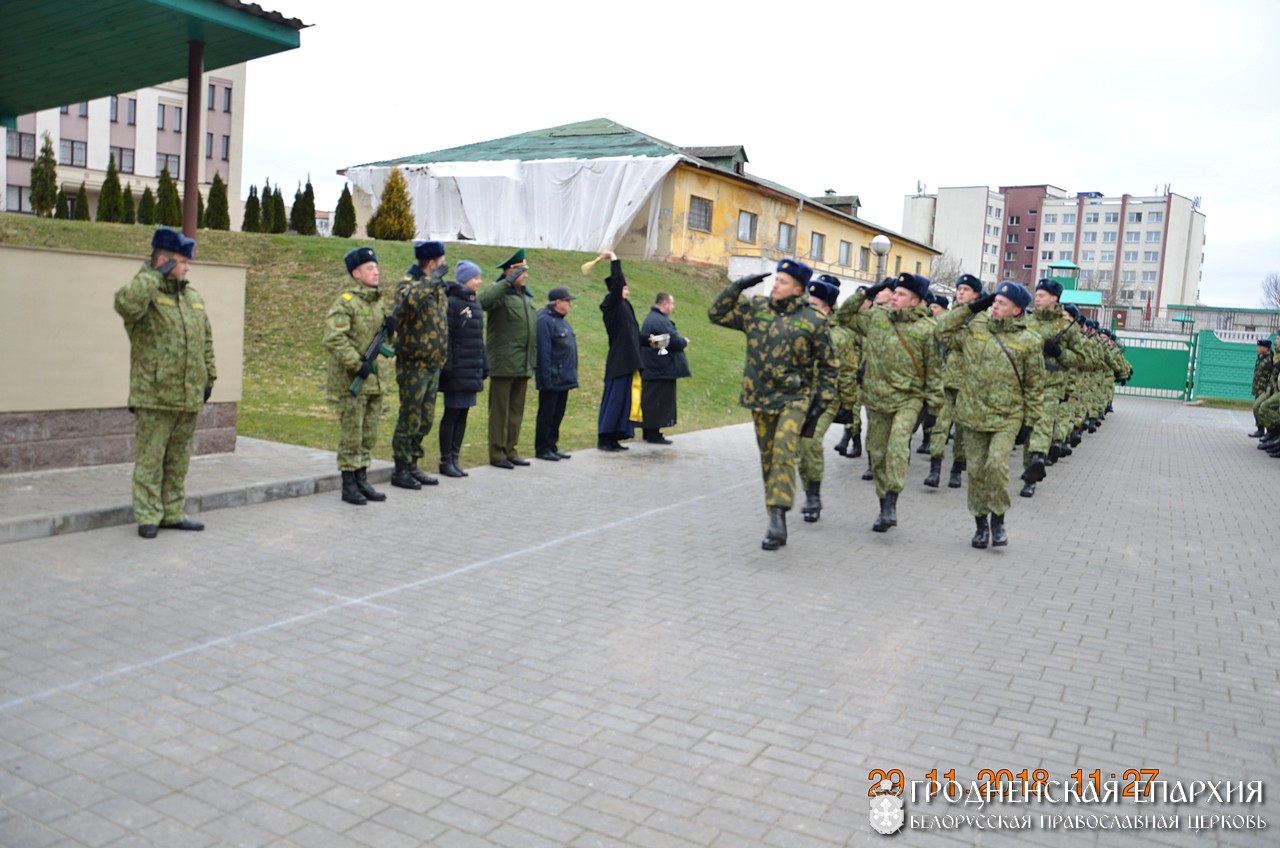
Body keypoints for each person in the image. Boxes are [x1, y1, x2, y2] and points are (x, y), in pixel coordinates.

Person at [709, 259, 837, 551]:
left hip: (795, 398)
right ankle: (774, 516)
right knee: (768, 458)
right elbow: (715, 314)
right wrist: (738, 286)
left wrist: (821, 403)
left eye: (782, 281)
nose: (775, 284)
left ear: (798, 288)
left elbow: (830, 366)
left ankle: (778, 516)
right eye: (775, 279)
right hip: (760, 398)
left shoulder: (814, 320)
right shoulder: (756, 309)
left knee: (783, 450)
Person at [113, 228, 215, 538]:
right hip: (154, 396)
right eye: (182, 262)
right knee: (150, 461)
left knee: (178, 462)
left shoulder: (193, 298)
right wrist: (153, 274)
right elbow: (125, 304)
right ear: (163, 261)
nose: (188, 267)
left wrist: (209, 377)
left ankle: (172, 512)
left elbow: (206, 341)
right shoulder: (145, 295)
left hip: (188, 397)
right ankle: (148, 516)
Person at [935, 281, 1045, 548]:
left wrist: (1029, 423)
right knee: (975, 472)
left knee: (996, 465)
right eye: (994, 301)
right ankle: (980, 524)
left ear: (1017, 310)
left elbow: (1035, 386)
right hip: (973, 414)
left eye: (1002, 303)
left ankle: (998, 518)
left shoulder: (1030, 341)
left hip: (1007, 417)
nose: (995, 306)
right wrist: (971, 308)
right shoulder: (975, 329)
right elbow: (941, 329)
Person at [834, 272, 942, 533]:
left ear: (915, 301)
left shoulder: (928, 330)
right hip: (876, 398)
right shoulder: (876, 318)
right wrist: (869, 292)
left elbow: (935, 370)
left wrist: (934, 408)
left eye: (902, 294)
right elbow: (844, 317)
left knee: (896, 447)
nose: (895, 296)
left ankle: (893, 497)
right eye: (894, 292)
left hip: (909, 398)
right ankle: (884, 505)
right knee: (879, 454)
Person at [324, 247, 391, 505]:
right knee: (352, 434)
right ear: (356, 273)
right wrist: (355, 363)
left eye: (376, 267)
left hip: (375, 381)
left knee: (368, 434)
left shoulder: (378, 303)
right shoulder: (346, 302)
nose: (376, 272)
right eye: (369, 268)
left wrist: (392, 330)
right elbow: (334, 338)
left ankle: (363, 479)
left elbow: (382, 339)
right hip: (353, 381)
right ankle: (349, 484)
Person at [1020, 278, 1091, 496]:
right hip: (1025, 384)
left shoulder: (1066, 327)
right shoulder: (1026, 321)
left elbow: (1082, 360)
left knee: (1042, 425)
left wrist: (1060, 353)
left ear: (1054, 299)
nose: (1037, 299)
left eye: (1041, 296)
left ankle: (1037, 460)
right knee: (1028, 428)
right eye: (1037, 295)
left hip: (1051, 385)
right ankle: (1030, 466)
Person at [389, 240, 450, 490]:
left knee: (425, 419)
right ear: (433, 263)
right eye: (442, 261)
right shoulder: (409, 283)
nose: (446, 265)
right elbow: (409, 303)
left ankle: (413, 462)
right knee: (410, 417)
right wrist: (431, 279)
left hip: (433, 363)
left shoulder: (437, 288)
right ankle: (401, 468)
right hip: (413, 363)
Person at [797, 275, 855, 523]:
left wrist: (849, 405)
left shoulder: (840, 336)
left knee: (810, 443)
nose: (810, 308)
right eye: (808, 303)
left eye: (816, 304)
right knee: (800, 449)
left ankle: (813, 496)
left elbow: (848, 372)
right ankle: (810, 489)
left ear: (828, 308)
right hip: (796, 398)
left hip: (825, 400)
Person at [480, 248, 538, 468]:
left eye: (524, 272)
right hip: (503, 364)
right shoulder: (500, 294)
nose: (525, 276)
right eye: (521, 272)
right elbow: (482, 302)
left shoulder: (525, 297)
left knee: (516, 412)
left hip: (522, 364)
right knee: (500, 412)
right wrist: (505, 283)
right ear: (510, 272)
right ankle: (497, 454)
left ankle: (511, 449)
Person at [437, 260, 488, 478]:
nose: (479, 281)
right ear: (465, 279)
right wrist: (447, 366)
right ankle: (445, 459)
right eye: (476, 277)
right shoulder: (452, 303)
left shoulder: (475, 304)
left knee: (463, 414)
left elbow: (478, 338)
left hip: (471, 368)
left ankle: (455, 458)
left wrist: (484, 364)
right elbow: (446, 336)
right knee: (452, 413)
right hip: (456, 369)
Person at [596, 250, 648, 452]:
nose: (627, 290)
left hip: (630, 361)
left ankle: (616, 436)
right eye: (624, 287)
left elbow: (632, 333)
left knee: (624, 401)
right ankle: (605, 437)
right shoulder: (612, 304)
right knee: (615, 400)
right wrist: (614, 259)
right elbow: (617, 285)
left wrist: (648, 341)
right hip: (619, 362)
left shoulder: (625, 307)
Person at [639, 292, 691, 444]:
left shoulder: (653, 318)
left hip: (654, 368)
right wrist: (684, 342)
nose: (673, 307)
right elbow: (673, 340)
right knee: (658, 402)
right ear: (664, 304)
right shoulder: (660, 321)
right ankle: (653, 433)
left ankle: (649, 431)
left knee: (651, 401)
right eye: (672, 303)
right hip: (660, 369)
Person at [535, 286, 579, 461]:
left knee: (558, 414)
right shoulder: (544, 320)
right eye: (567, 301)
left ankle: (552, 445)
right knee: (547, 414)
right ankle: (542, 448)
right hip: (552, 377)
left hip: (564, 377)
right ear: (558, 302)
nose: (570, 305)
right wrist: (545, 378)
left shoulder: (562, 321)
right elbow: (543, 352)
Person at [1249, 339, 1272, 438]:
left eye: (1260, 347)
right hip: (1258, 388)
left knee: (1260, 409)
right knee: (1257, 408)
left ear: (1266, 348)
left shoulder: (1270, 359)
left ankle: (1269, 431)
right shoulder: (1260, 358)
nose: (1258, 349)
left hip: (1265, 389)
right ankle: (1260, 429)